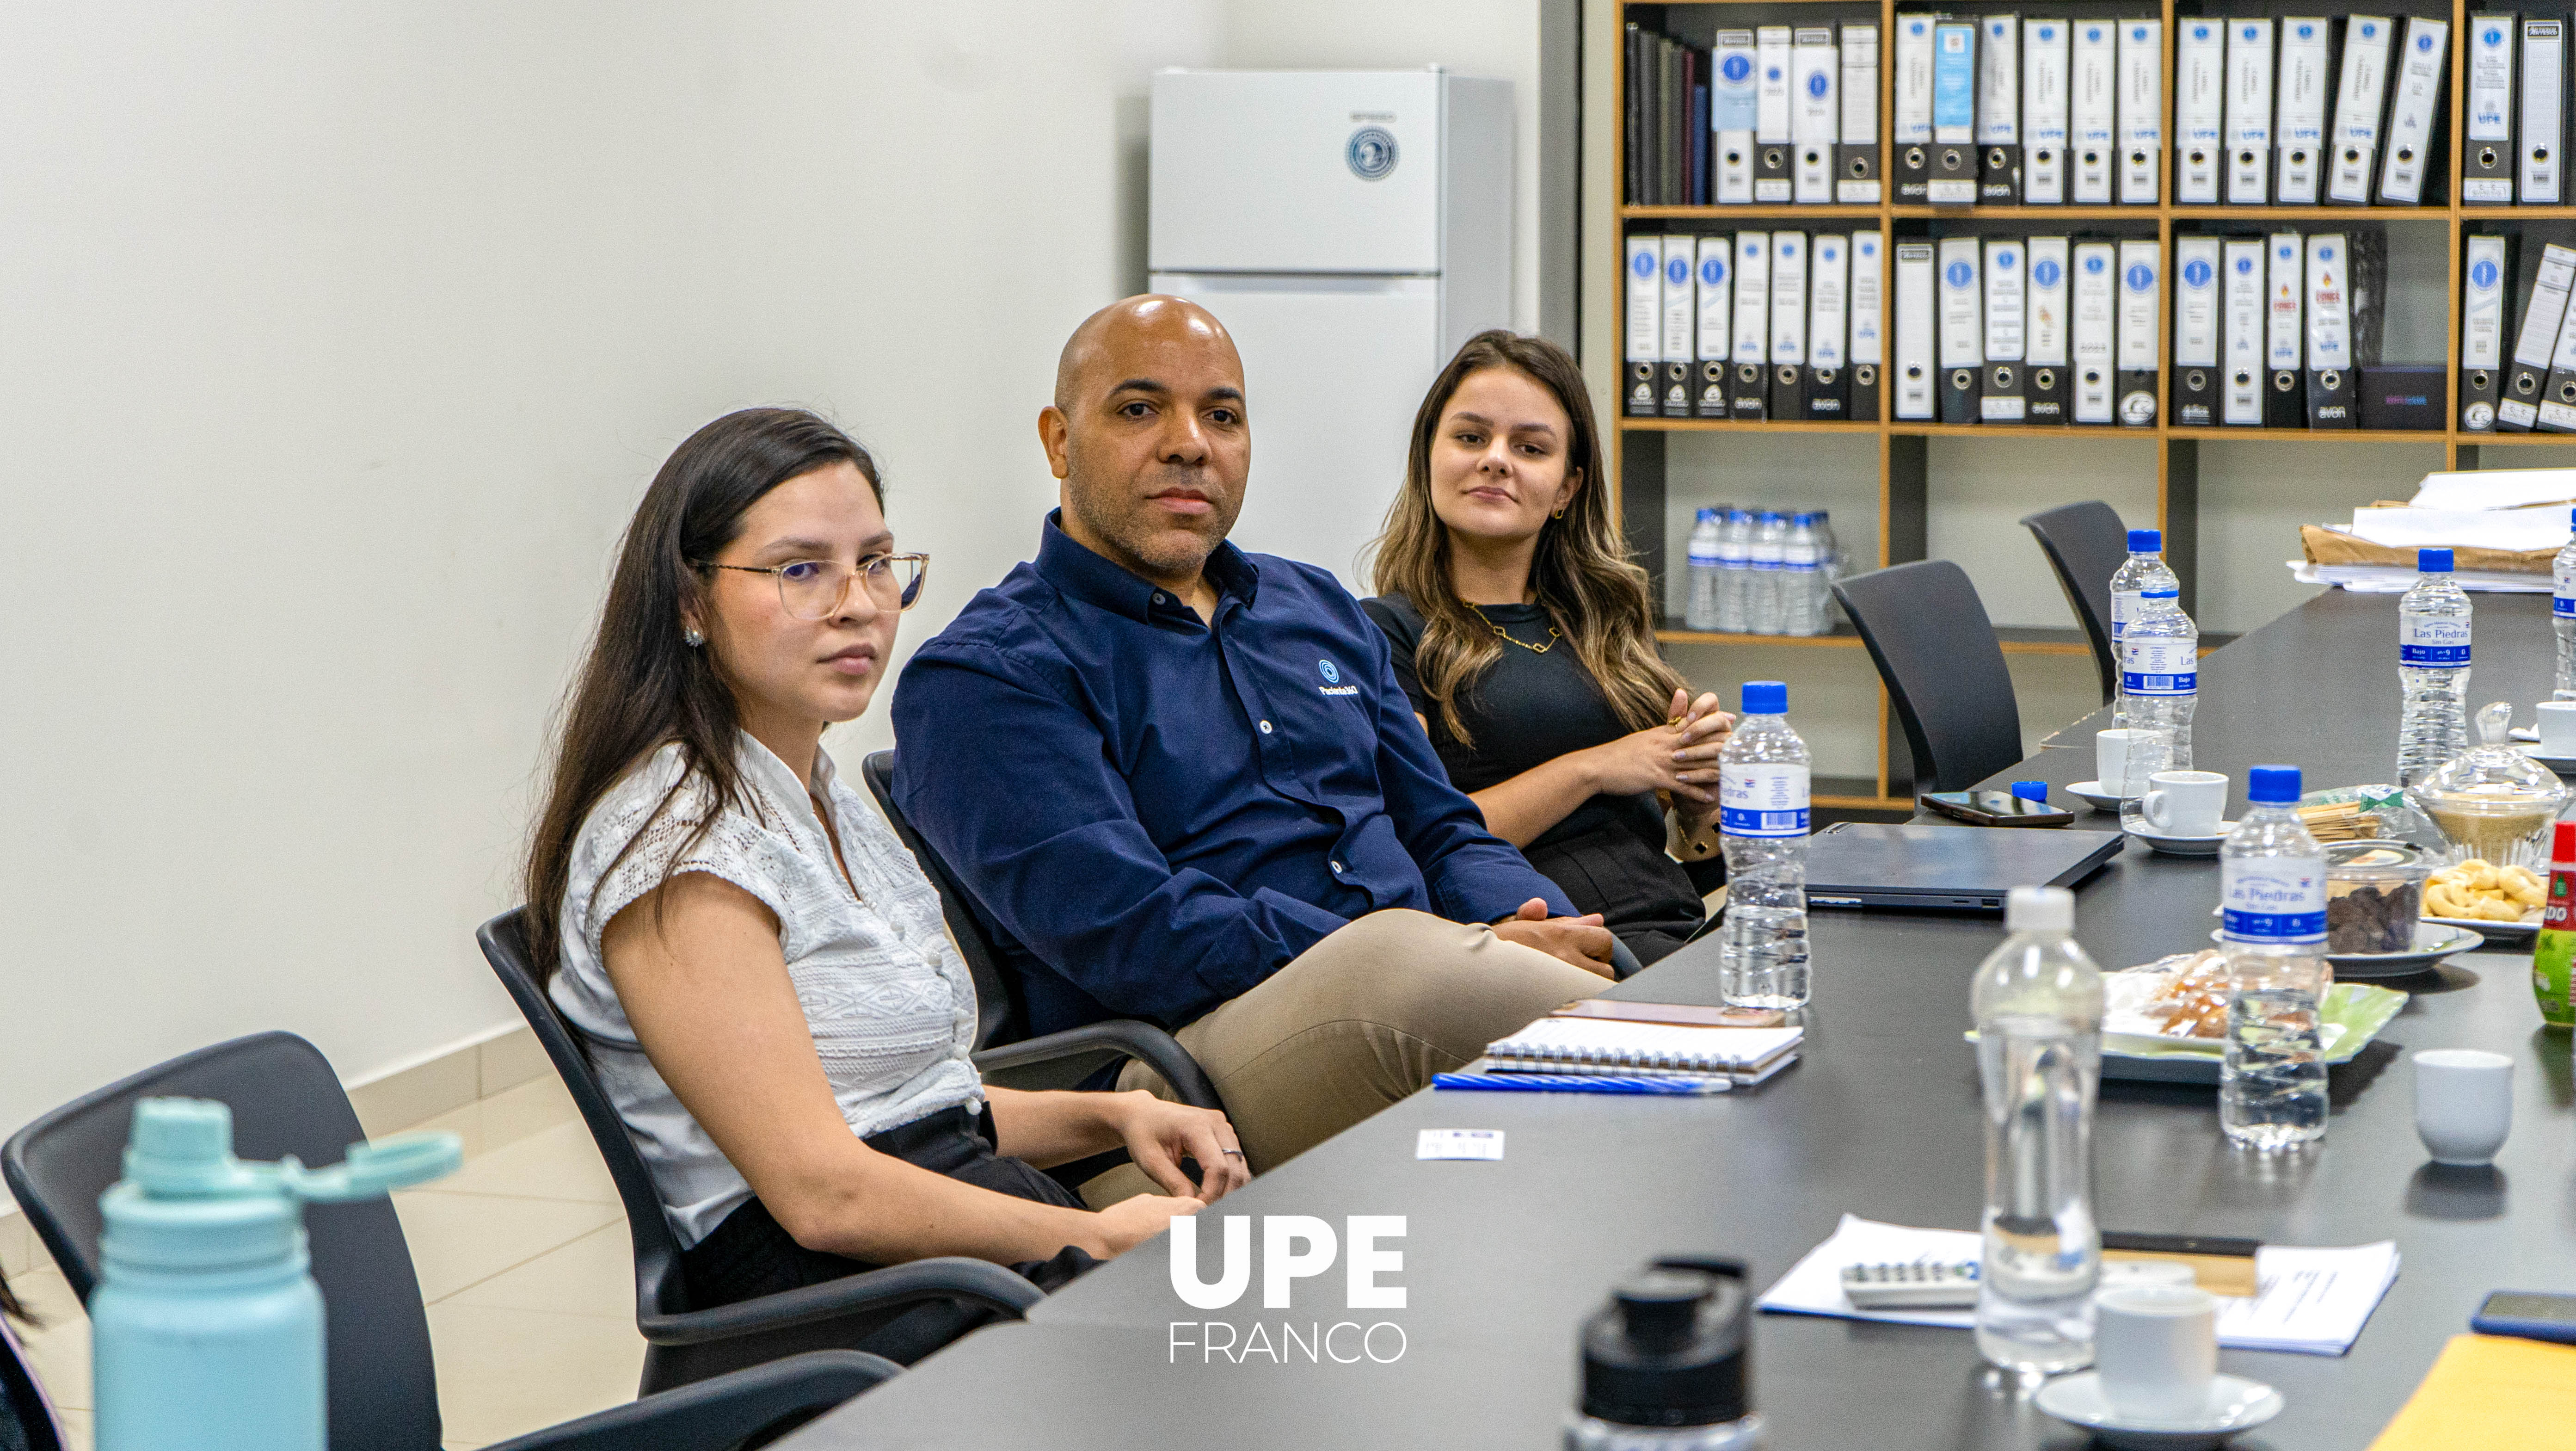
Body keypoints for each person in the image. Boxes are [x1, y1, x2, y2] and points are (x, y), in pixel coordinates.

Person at [521, 408, 1246, 1360]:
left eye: (874, 563)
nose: (858, 603)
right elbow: (825, 1194)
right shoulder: (680, 853)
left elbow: (905, 1104)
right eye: (800, 569)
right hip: (842, 1295)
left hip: (933, 1235)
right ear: (690, 603)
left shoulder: (816, 791)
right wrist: (1092, 1235)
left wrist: (1112, 1113)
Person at [890, 296, 1617, 1175]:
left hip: (1413, 982)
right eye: (1138, 409)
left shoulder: (1314, 609)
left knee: (1611, 968)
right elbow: (1140, 934)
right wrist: (1421, 945)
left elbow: (1441, 827)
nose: (1189, 442)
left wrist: (1524, 919)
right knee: (1404, 966)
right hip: (1175, 1071)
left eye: (1222, 415)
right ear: (1058, 441)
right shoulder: (991, 673)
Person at [1363, 331, 1731, 966]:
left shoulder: (1605, 621)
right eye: (1471, 438)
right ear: (1429, 457)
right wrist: (1594, 768)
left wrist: (1702, 806)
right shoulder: (1386, 632)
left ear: (1566, 488)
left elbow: (1669, 855)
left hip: (1677, 925)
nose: (1496, 460)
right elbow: (1412, 836)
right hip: (1549, 947)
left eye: (1530, 447)